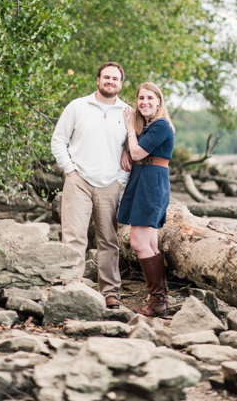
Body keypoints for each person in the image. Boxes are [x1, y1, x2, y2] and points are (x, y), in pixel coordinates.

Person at [51, 62, 131, 309]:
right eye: (106, 77)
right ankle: (71, 286)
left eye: (115, 78)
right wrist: (71, 170)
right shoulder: (77, 106)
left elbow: (131, 151)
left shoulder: (128, 112)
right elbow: (58, 141)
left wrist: (121, 179)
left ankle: (110, 293)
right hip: (79, 181)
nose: (110, 81)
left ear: (120, 83)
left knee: (108, 240)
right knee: (74, 237)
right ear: (97, 80)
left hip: (110, 183)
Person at [118, 82, 176, 317]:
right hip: (145, 180)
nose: (145, 102)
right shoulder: (151, 125)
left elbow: (138, 152)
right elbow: (135, 150)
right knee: (150, 244)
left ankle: (158, 301)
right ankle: (159, 300)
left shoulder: (161, 124)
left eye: (150, 98)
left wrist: (130, 130)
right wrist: (126, 147)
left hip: (151, 184)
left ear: (159, 101)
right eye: (141, 98)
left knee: (139, 244)